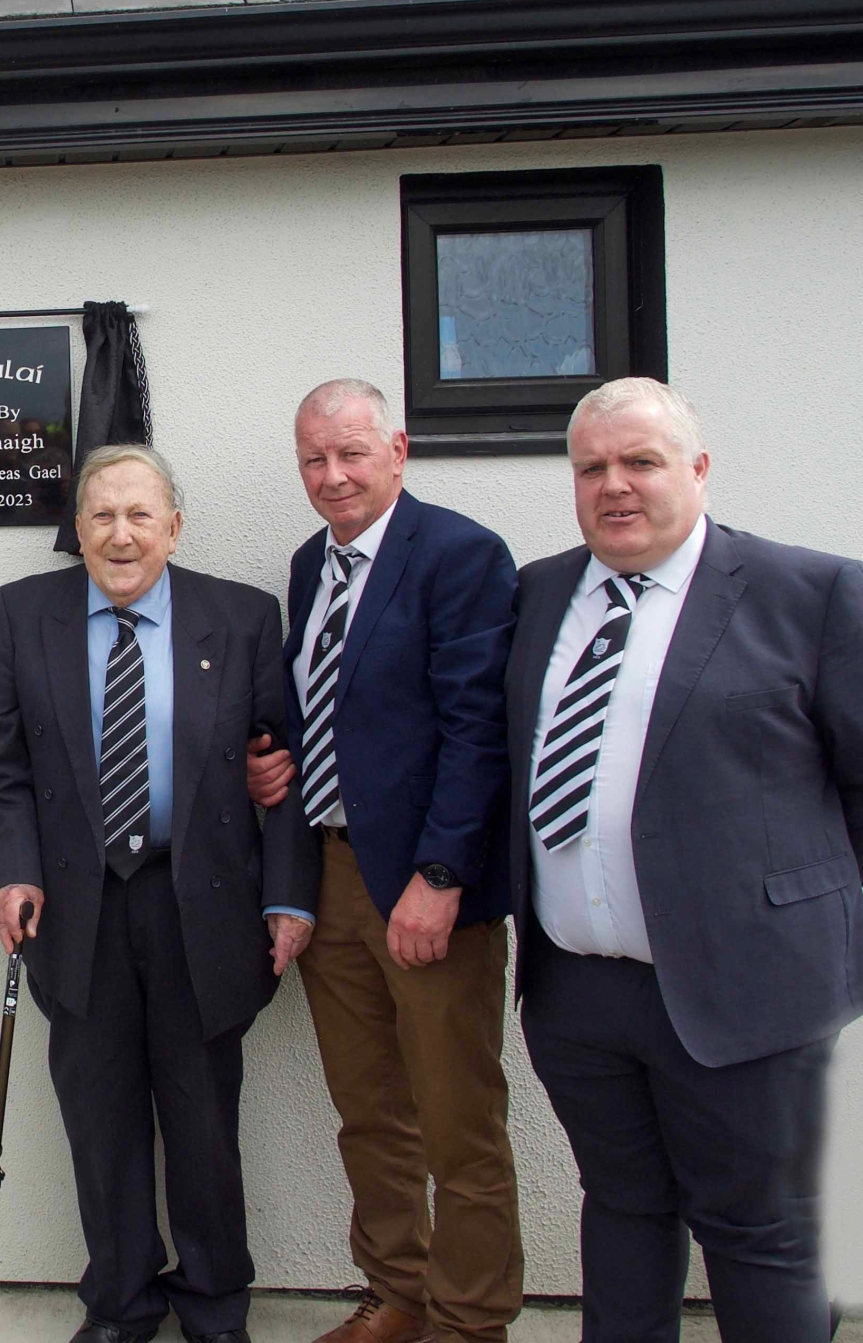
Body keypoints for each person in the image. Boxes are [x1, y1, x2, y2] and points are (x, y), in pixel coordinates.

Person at [505, 377, 863, 1342]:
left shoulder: (812, 591)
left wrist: (778, 893)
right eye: (591, 467)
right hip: (578, 992)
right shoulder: (537, 594)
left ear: (697, 469)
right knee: (621, 1209)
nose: (614, 485)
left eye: (640, 462)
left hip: (747, 988)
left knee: (760, 1232)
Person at [0, 444, 309, 1343]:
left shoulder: (240, 618)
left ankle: (213, 1305)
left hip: (200, 904)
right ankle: (120, 1304)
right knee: (100, 1118)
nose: (120, 535)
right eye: (100, 516)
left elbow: (286, 774)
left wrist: (289, 898)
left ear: (174, 526)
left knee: (202, 1122)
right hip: (79, 910)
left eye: (139, 515)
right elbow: (1, 769)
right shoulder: (24, 612)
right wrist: (13, 870)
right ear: (76, 528)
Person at [246, 380, 522, 1343]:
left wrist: (440, 877)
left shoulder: (459, 554)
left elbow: (478, 729)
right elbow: (325, 708)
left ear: (398, 450)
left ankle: (471, 1319)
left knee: (459, 1124)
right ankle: (399, 1291)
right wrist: (270, 755)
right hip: (329, 873)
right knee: (370, 1113)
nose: (333, 476)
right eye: (314, 459)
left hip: (425, 885)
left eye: (352, 453)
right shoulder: (306, 564)